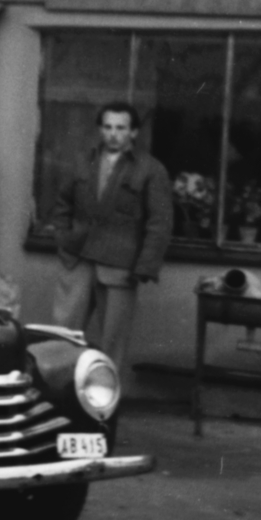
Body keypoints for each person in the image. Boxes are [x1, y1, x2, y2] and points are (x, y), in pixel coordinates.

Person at [49, 102, 173, 379]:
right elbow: (62, 205)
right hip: (77, 259)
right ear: (99, 129)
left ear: (134, 132)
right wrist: (63, 238)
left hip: (119, 266)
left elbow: (160, 224)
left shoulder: (150, 170)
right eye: (107, 127)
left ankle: (104, 406)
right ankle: (59, 395)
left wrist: (144, 266)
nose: (113, 134)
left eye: (120, 128)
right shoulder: (83, 161)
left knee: (111, 343)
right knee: (62, 335)